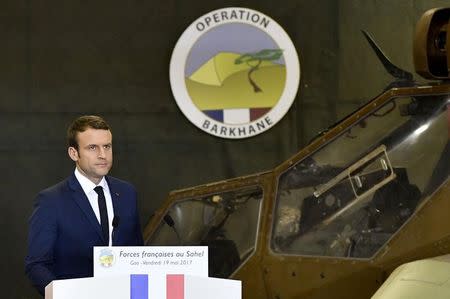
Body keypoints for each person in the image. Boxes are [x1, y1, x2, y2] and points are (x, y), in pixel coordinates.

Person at [25, 115, 144, 296]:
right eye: (92, 148)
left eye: (107, 146)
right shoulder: (51, 201)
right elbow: (37, 265)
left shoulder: (127, 193)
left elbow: (137, 254)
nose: (102, 155)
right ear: (74, 153)